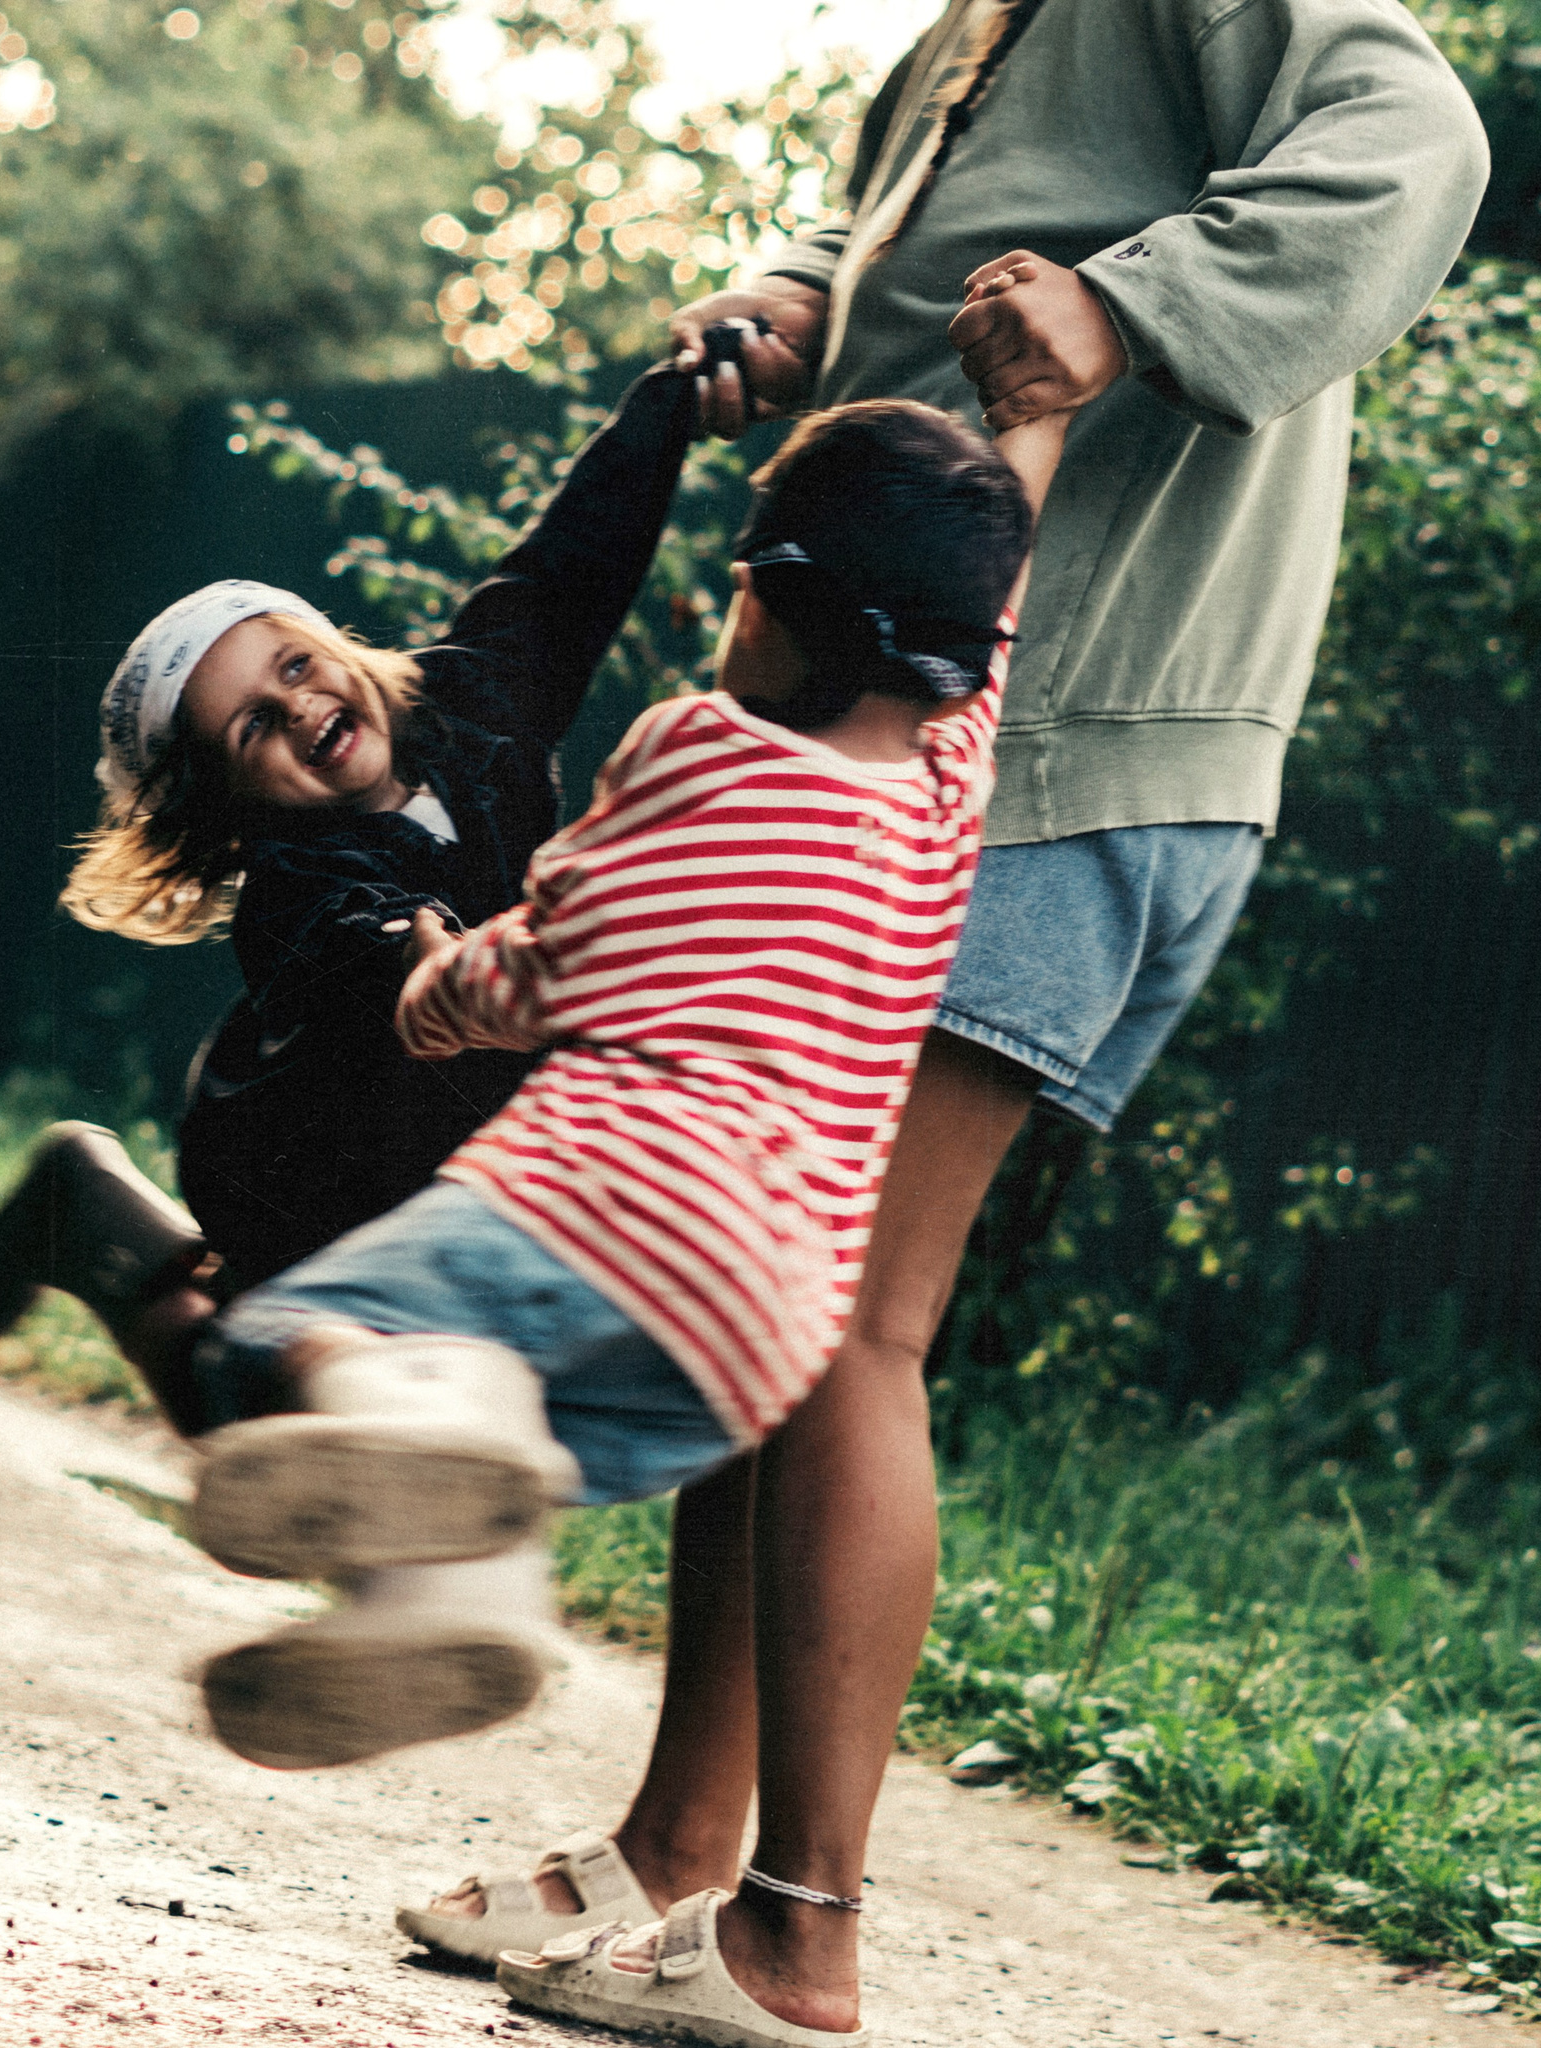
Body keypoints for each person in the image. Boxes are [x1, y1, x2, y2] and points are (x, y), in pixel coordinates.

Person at [405, 1, 1489, 2037]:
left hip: (1060, 751)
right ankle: (677, 1859)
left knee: (842, 1326)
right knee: (766, 1288)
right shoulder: (964, 36)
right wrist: (796, 303)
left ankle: (797, 1929)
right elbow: (910, 253)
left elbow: (1412, 132)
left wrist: (1129, 306)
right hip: (961, 763)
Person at [186, 399, 1056, 2048]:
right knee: (482, 1424)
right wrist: (1033, 440)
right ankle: (438, 1571)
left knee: (285, 1339)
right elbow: (987, 625)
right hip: (760, 1336)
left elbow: (536, 962)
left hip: (607, 1207)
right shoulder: (947, 802)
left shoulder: (691, 756)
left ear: (776, 608)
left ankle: (471, 1595)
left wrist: (441, 995)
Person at [0, 357, 708, 1428]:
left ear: (336, 642)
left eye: (296, 665)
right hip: (306, 1166)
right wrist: (432, 955)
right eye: (252, 723)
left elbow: (569, 567)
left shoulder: (469, 704)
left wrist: (675, 400)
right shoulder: (297, 885)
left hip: (458, 1137)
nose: (298, 706)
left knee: (423, 1414)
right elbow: (373, 942)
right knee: (264, 1417)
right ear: (226, 804)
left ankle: (102, 1221)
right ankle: (92, 1218)